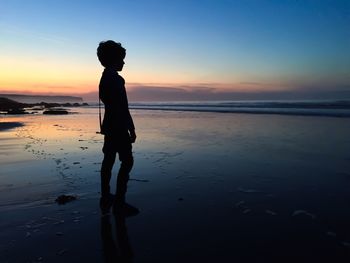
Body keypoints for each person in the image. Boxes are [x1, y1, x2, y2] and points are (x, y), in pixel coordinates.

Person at [97, 40, 138, 215]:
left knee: (109, 160)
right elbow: (123, 106)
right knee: (127, 161)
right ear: (114, 59)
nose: (123, 62)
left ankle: (106, 196)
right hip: (118, 126)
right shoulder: (116, 79)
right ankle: (119, 202)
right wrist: (131, 128)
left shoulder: (104, 77)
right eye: (121, 59)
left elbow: (110, 104)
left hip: (109, 125)